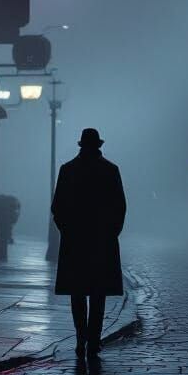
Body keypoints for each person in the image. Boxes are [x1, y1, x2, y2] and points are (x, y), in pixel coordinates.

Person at [51, 127, 126, 358]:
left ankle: (81, 338)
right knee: (98, 293)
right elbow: (119, 207)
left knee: (77, 292)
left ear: (81, 145)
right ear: (99, 146)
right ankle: (93, 339)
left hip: (75, 241)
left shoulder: (68, 170)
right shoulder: (111, 170)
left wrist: (67, 231)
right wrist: (111, 233)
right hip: (102, 240)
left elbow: (57, 208)